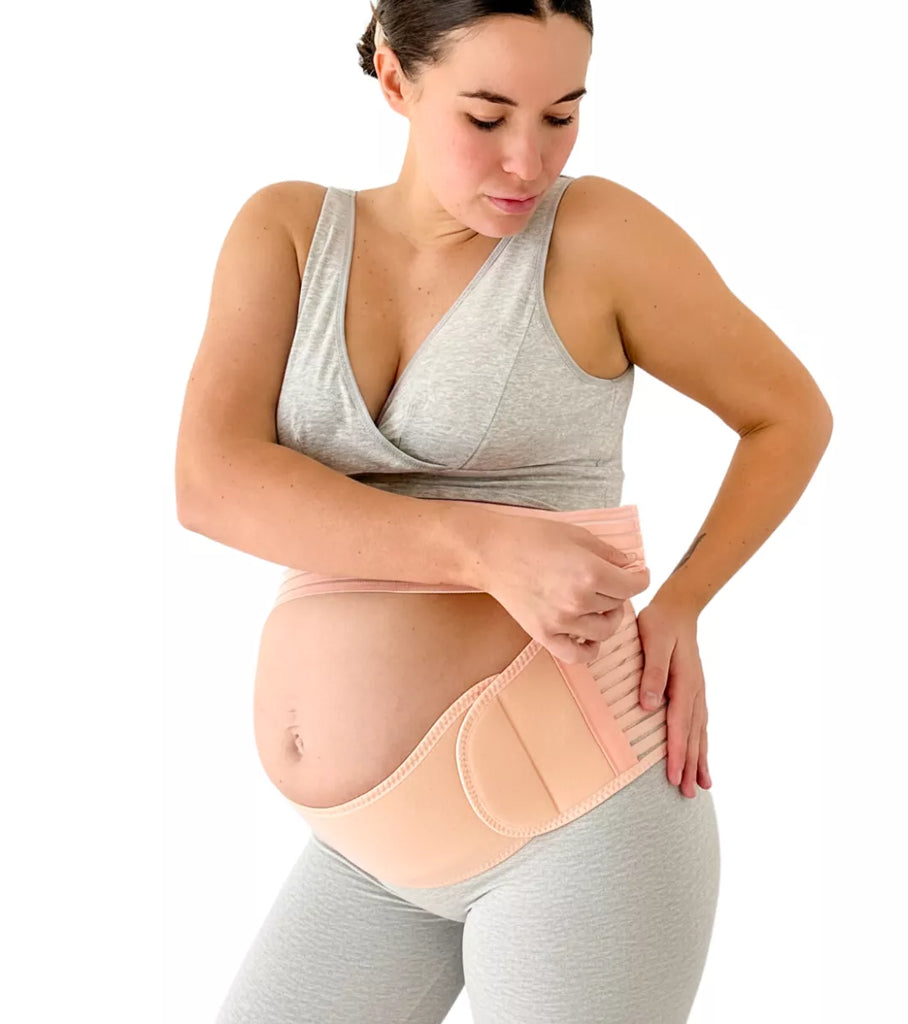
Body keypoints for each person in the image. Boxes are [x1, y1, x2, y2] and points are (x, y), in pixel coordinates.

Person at [175, 2, 832, 1021]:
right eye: (485, 118)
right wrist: (479, 544)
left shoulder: (598, 238)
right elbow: (212, 482)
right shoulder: (289, 230)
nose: (527, 159)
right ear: (395, 81)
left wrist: (683, 605)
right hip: (367, 857)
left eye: (562, 115)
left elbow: (787, 415)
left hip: (581, 817)